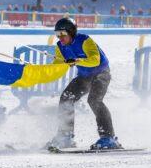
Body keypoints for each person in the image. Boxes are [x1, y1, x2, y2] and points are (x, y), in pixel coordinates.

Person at [47, 18, 121, 150]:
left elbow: (95, 60)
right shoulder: (60, 46)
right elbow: (57, 65)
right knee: (66, 98)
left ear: (71, 32)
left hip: (101, 73)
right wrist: (40, 70)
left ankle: (108, 138)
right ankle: (65, 136)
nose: (60, 38)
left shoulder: (85, 40)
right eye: (57, 35)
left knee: (94, 100)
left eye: (63, 34)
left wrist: (76, 61)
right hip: (84, 76)